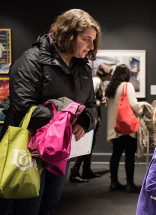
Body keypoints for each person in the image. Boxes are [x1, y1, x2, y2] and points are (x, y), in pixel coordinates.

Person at [0, 9, 100, 214]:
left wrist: (85, 121)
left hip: (60, 150)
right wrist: (67, 116)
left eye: (93, 40)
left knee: (49, 205)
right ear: (68, 34)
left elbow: (91, 106)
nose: (91, 47)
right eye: (86, 39)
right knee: (26, 208)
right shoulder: (32, 60)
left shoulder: (83, 68)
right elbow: (24, 108)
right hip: (29, 151)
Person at [69, 63, 112, 182]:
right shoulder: (97, 82)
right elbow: (88, 101)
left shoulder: (99, 82)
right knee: (86, 145)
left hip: (93, 118)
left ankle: (86, 170)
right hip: (88, 119)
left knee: (90, 145)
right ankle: (75, 171)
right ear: (106, 73)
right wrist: (100, 103)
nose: (111, 75)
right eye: (110, 73)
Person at [105, 64, 143, 193]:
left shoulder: (110, 88)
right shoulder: (127, 86)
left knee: (115, 155)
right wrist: (142, 109)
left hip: (114, 127)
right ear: (126, 75)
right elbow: (133, 104)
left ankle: (114, 182)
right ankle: (130, 184)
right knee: (129, 156)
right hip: (127, 127)